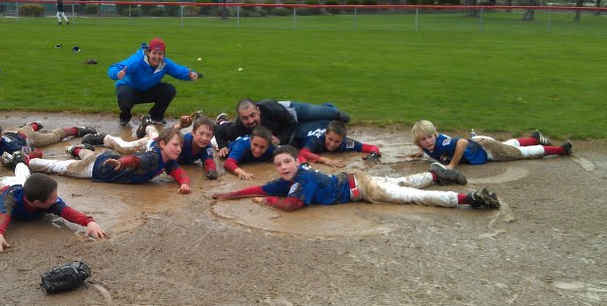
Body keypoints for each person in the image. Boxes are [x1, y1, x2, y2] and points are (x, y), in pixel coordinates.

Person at [212, 145, 499, 211]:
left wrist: (268, 201)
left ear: (297, 162)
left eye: (287, 161)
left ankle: (467, 198)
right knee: (400, 184)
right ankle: (434, 174)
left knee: (410, 197)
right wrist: (228, 195)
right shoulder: (291, 178)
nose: (283, 166)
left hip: (360, 187)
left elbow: (292, 205)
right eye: (279, 164)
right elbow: (258, 185)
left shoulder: (302, 180)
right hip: (356, 179)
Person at [0, 158, 106, 254]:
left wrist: (89, 222)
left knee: (25, 175)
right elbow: (3, 214)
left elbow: (67, 211)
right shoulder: (11, 200)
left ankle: (18, 159)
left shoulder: (46, 200)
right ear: (38, 203)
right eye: (53, 197)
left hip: (22, 185)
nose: (57, 199)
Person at [3, 127, 192, 193]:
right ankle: (26, 160)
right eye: (175, 145)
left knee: (90, 155)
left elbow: (178, 172)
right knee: (59, 167)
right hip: (97, 168)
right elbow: (137, 160)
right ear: (161, 144)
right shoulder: (153, 156)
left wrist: (184, 183)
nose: (179, 149)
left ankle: (77, 149)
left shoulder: (167, 161)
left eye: (180, 146)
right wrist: (123, 162)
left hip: (103, 159)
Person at [81, 114, 220, 180]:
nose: (204, 138)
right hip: (152, 145)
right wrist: (180, 126)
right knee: (124, 148)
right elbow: (169, 135)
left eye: (209, 135)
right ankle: (104, 138)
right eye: (201, 134)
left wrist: (212, 170)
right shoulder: (185, 140)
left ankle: (147, 124)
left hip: (157, 140)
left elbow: (208, 161)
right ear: (193, 133)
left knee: (153, 133)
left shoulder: (205, 147)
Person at [107, 38, 200, 126]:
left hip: (148, 89)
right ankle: (124, 118)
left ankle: (156, 116)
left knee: (169, 90)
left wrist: (189, 75)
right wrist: (117, 74)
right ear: (148, 52)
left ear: (164, 55)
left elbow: (178, 70)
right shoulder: (136, 61)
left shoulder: (165, 64)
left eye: (160, 54)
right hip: (131, 89)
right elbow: (113, 68)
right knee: (124, 93)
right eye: (154, 53)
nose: (157, 57)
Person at [410, 120, 573, 169]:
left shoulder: (442, 143)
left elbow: (461, 142)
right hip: (480, 142)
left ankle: (560, 150)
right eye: (423, 140)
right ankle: (534, 137)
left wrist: (452, 165)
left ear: (435, 134)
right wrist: (420, 150)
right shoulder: (426, 143)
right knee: (509, 145)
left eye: (430, 137)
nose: (428, 141)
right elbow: (427, 141)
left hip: (486, 150)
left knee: (520, 153)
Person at [214, 98, 350, 153]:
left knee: (317, 111)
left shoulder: (270, 107)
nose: (250, 121)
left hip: (291, 112)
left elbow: (290, 121)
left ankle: (333, 110)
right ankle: (330, 120)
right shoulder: (239, 126)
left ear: (258, 111)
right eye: (245, 118)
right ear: (240, 117)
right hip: (290, 130)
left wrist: (279, 138)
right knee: (321, 127)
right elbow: (220, 130)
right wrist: (223, 146)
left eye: (252, 115)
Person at [0, 119, 96, 162]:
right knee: (28, 127)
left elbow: (37, 152)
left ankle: (77, 129)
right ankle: (35, 124)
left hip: (26, 137)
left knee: (53, 137)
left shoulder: (12, 147)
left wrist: (22, 157)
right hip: (10, 131)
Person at [298, 120, 382, 168]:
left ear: (343, 139)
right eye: (330, 139)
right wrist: (324, 160)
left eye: (337, 141)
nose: (332, 144)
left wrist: (374, 153)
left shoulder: (346, 143)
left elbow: (371, 147)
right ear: (325, 134)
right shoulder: (315, 140)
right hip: (297, 132)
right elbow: (303, 153)